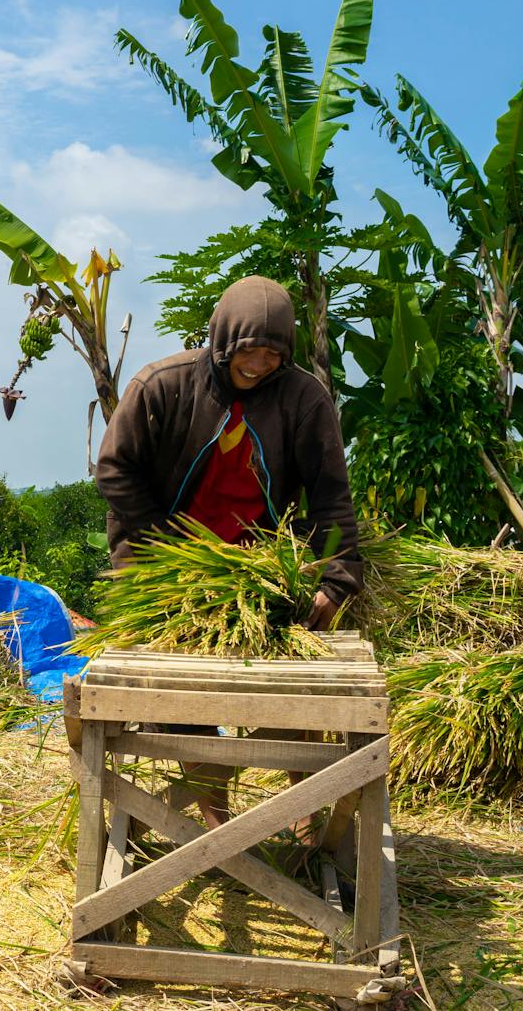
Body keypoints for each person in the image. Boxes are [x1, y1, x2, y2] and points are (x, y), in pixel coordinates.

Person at [93, 276, 363, 826]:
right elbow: (114, 469)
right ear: (220, 339)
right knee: (183, 694)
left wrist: (335, 580)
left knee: (291, 688)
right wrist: (163, 547)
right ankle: (212, 821)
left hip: (260, 568)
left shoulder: (304, 398)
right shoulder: (162, 385)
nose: (258, 364)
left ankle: (306, 810)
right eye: (246, 350)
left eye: (272, 354)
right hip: (161, 568)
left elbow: (330, 493)